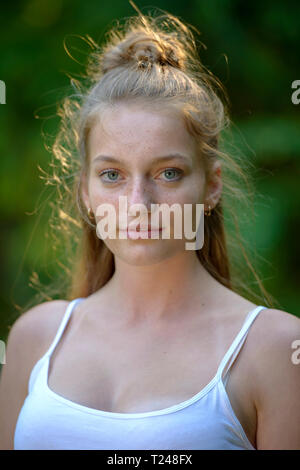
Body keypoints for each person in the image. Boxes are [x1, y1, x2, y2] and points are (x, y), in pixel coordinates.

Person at [1, 5, 300, 450]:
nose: (138, 205)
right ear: (84, 190)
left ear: (212, 186)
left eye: (168, 173)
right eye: (112, 175)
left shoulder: (276, 349)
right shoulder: (35, 339)